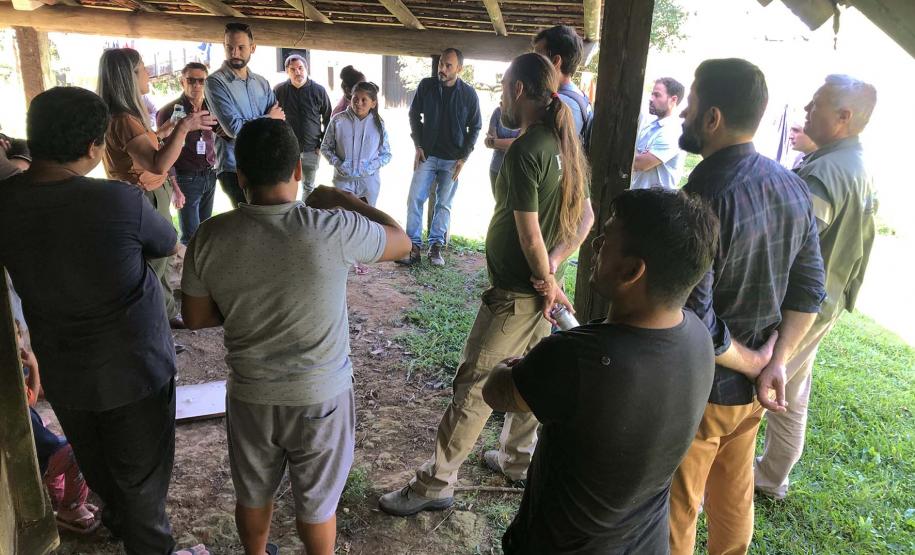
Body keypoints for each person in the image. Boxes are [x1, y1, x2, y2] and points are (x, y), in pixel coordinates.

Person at [181, 118, 410, 555]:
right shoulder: (332, 228)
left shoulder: (210, 235)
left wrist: (247, 302)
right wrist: (344, 198)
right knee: (318, 503)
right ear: (299, 171)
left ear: (241, 175)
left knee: (252, 493)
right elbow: (402, 241)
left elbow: (195, 317)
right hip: (320, 395)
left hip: (251, 394)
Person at [379, 52, 595, 517]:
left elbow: (529, 233)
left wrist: (543, 276)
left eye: (503, 89)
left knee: (475, 384)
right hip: (539, 293)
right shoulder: (564, 143)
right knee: (532, 375)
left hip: (520, 294)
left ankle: (435, 483)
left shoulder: (527, 148)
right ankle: (517, 460)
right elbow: (586, 219)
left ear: (518, 90)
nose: (501, 97)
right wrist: (553, 274)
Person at [0, 86, 207, 555]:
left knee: (96, 464)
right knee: (143, 481)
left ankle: (119, 524)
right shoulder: (117, 202)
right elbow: (165, 243)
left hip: (64, 370)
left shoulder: (6, 200)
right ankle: (150, 546)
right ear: (94, 149)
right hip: (135, 370)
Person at [482, 189, 718, 553]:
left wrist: (510, 366)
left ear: (631, 270)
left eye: (607, 237)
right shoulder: (699, 339)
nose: (596, 244)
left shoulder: (576, 358)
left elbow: (497, 391)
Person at [667, 59, 827, 555]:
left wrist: (759, 362)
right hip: (751, 399)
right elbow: (810, 292)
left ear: (712, 118)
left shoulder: (702, 197)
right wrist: (774, 364)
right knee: (733, 503)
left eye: (689, 105)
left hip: (703, 390)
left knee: (678, 508)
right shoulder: (793, 186)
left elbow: (696, 317)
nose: (682, 116)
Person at [754, 75, 877, 501]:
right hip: (830, 298)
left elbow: (792, 242)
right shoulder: (854, 164)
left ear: (843, 117)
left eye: (818, 103)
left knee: (764, 383)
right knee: (794, 389)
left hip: (801, 305)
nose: (807, 108)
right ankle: (771, 478)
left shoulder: (826, 172)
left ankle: (752, 476)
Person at [97, 48, 217, 335]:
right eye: (142, 68)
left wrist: (164, 132)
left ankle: (165, 314)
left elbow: (145, 145)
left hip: (150, 192)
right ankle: (153, 323)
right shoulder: (124, 119)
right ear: (128, 76)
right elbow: (157, 161)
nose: (148, 71)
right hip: (144, 196)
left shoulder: (126, 116)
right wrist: (184, 128)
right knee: (154, 262)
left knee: (160, 259)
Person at [398, 48, 481, 267]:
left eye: (448, 66)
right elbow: (413, 114)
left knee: (443, 204)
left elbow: (476, 126)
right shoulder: (426, 86)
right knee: (414, 198)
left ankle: (435, 247)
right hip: (427, 154)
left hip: (453, 159)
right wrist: (417, 144)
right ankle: (413, 247)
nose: (442, 69)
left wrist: (464, 157)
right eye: (441, 64)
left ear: (459, 69)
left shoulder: (469, 94)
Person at [17, 319, 100, 535]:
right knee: (79, 452)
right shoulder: (7, 382)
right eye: (18, 349)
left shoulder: (10, 378)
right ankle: (70, 508)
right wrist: (34, 365)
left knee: (51, 434)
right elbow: (30, 398)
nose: (23, 353)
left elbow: (31, 397)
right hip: (33, 460)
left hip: (34, 453)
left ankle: (63, 500)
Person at [206, 22, 285, 208]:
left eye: (241, 47)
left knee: (268, 222)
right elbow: (234, 128)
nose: (235, 53)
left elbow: (279, 121)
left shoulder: (261, 83)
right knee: (250, 225)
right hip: (235, 167)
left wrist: (271, 121)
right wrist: (268, 118)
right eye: (229, 47)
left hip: (265, 162)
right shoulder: (215, 82)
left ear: (253, 48)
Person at [321, 81, 392, 274]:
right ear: (349, 98)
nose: (358, 103)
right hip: (343, 180)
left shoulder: (379, 124)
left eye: (364, 100)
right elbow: (325, 148)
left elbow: (386, 154)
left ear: (373, 103)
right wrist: (339, 163)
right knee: (342, 217)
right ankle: (341, 256)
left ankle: (360, 257)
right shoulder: (338, 120)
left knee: (366, 218)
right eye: (355, 98)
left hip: (368, 182)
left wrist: (369, 167)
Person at [157, 62, 218, 246]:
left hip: (209, 174)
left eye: (201, 81)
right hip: (185, 178)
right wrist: (175, 187)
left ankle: (202, 270)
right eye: (191, 80)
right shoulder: (170, 111)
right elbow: (162, 149)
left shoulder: (212, 108)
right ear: (182, 82)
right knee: (190, 236)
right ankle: (187, 272)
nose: (196, 85)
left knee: (205, 231)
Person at [274, 54, 332, 200]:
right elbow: (272, 119)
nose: (297, 72)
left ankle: (304, 216)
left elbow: (328, 119)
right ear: (287, 72)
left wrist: (322, 144)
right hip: (287, 148)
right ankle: (289, 215)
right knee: (284, 184)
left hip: (311, 148)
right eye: (292, 69)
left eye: (300, 68)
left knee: (308, 186)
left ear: (306, 69)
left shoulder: (319, 91)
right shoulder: (279, 91)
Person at [532, 25, 592, 138]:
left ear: (555, 61)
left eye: (537, 59)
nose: (532, 64)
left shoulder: (559, 105)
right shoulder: (580, 97)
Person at [630, 77, 687, 189]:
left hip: (657, 204)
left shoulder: (673, 131)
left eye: (657, 95)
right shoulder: (652, 126)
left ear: (673, 100)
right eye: (652, 94)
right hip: (638, 199)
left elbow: (640, 164)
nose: (651, 99)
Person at [484, 106, 520, 194]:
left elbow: (518, 143)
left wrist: (494, 142)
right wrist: (509, 144)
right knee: (499, 205)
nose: (501, 98)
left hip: (515, 170)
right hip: (496, 167)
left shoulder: (523, 114)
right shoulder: (497, 112)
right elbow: (489, 140)